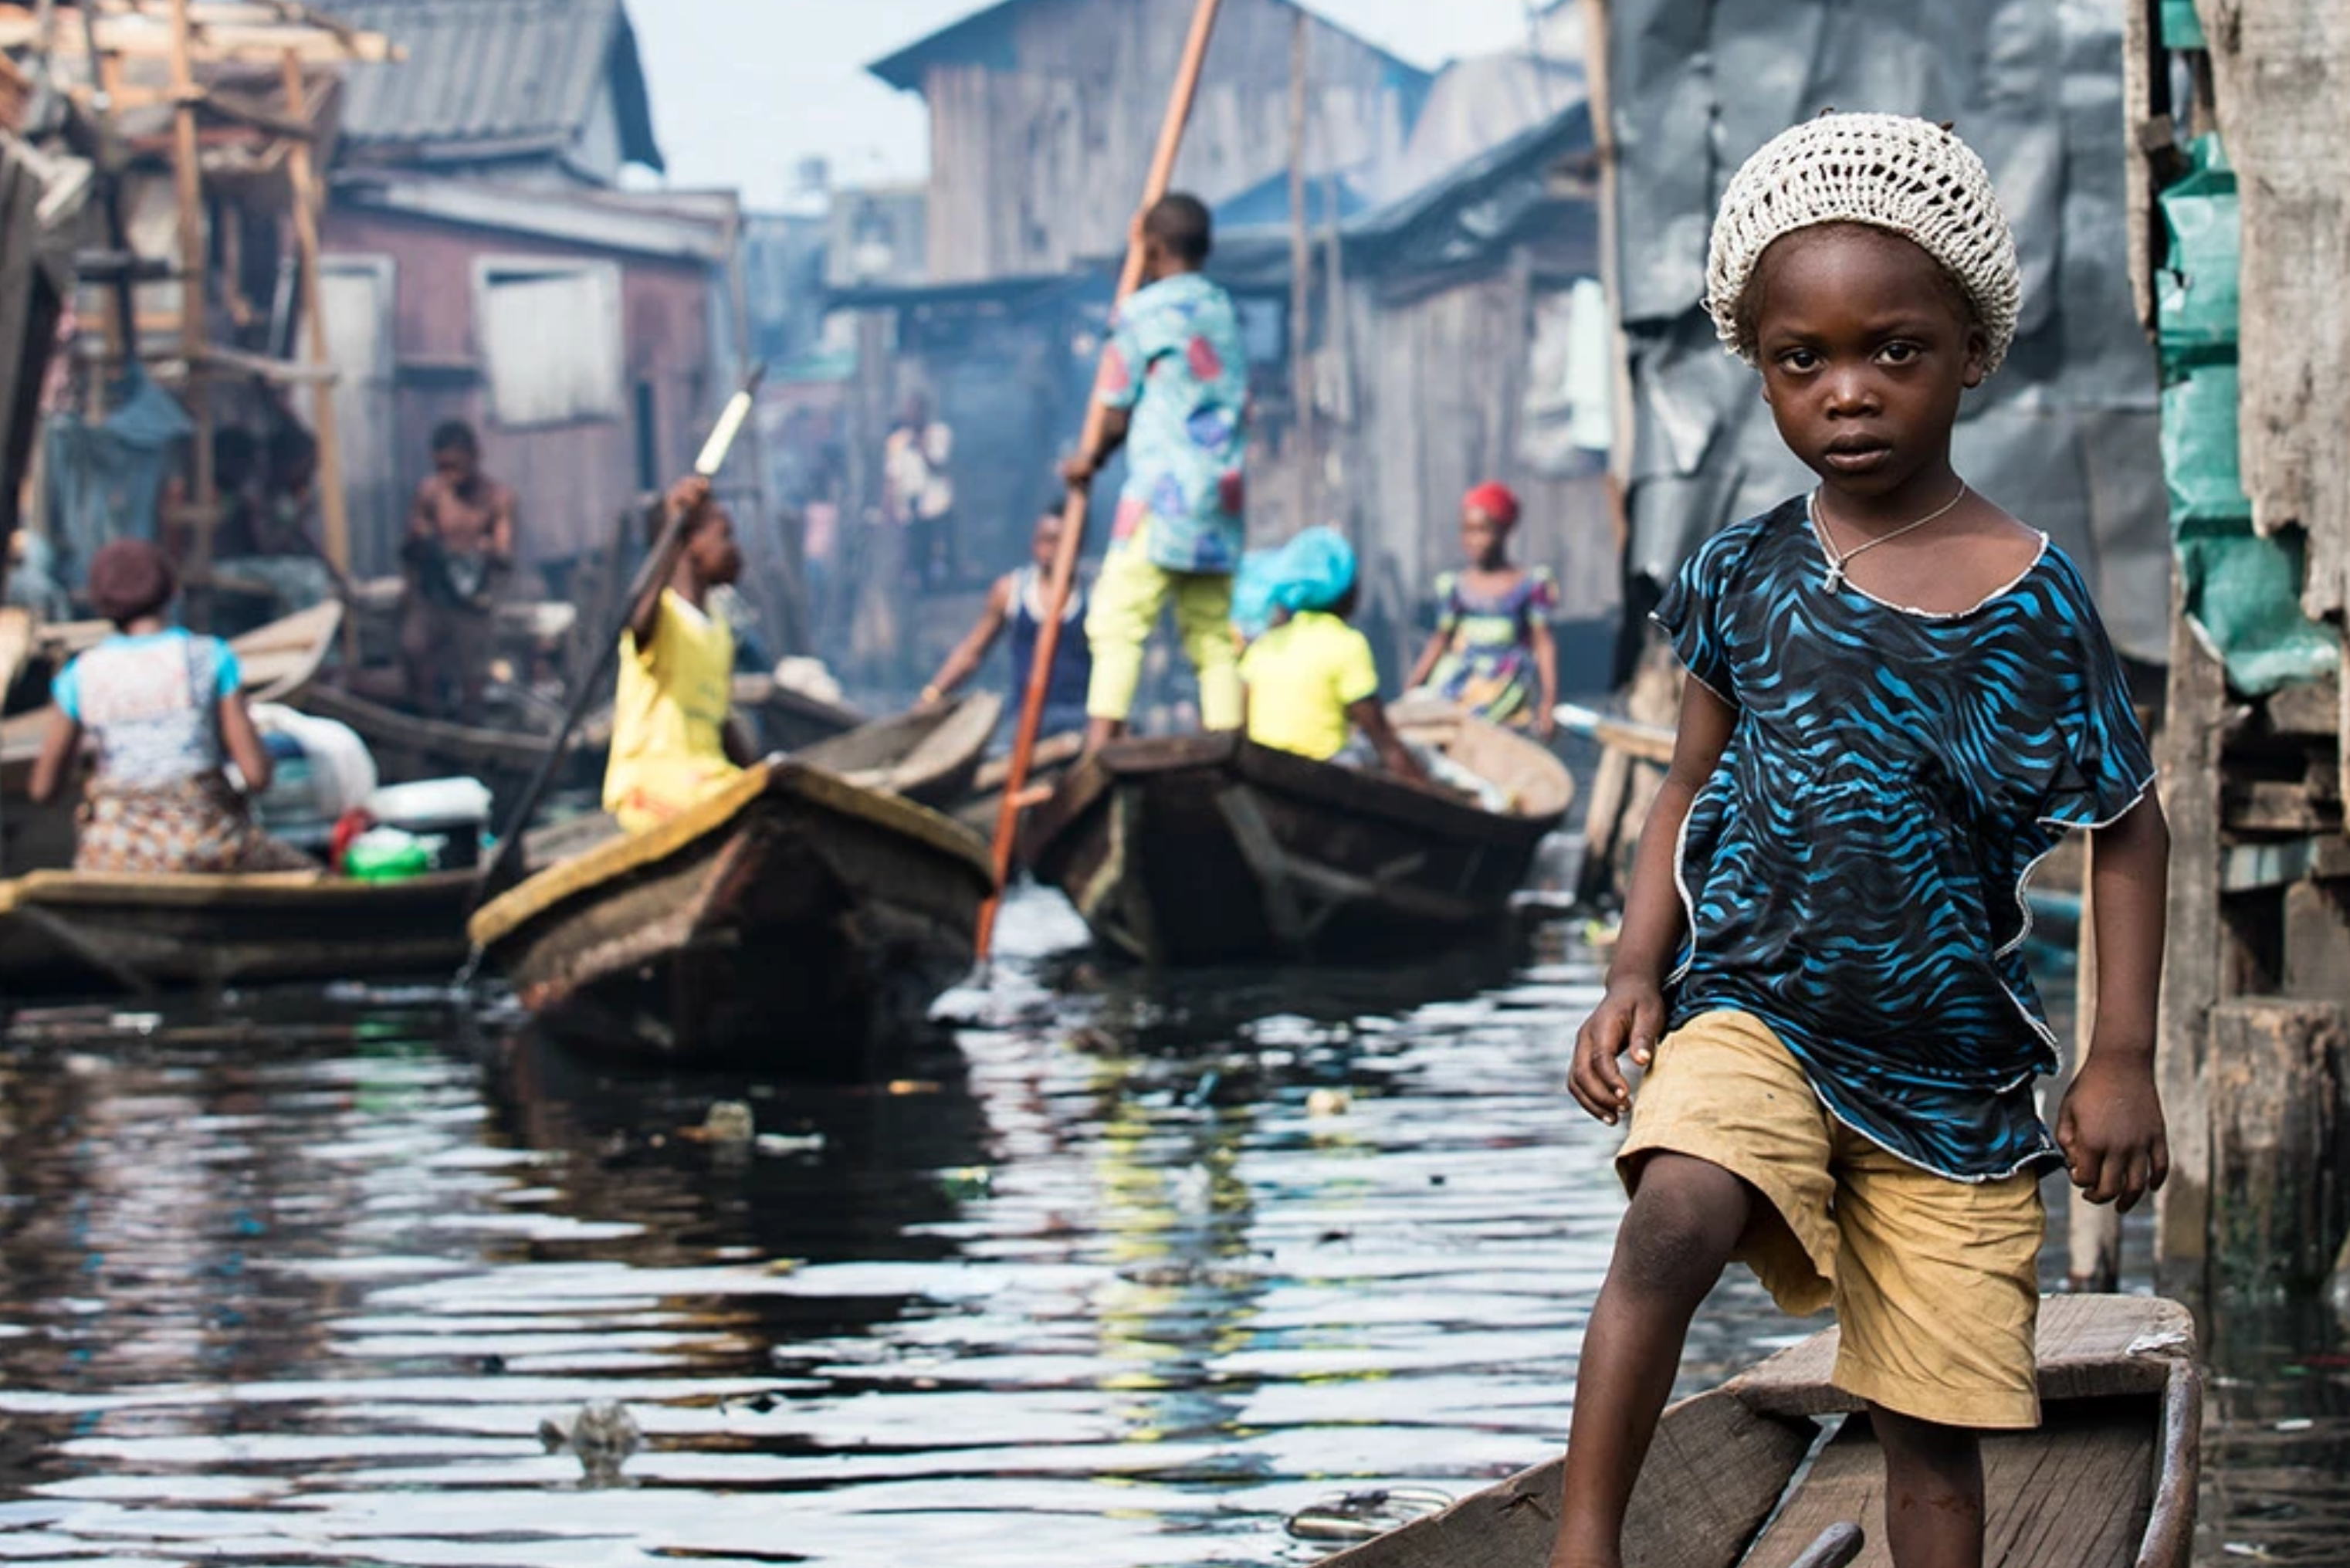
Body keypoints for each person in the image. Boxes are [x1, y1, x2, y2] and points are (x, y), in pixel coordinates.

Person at [1549, 114, 2170, 1568]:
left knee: (1930, 1429)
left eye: (1894, 351)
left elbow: (2127, 827)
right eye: (1800, 360)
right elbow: (1682, 787)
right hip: (1752, 1005)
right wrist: (1634, 969)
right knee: (1673, 1212)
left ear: (1971, 352)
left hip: (1949, 1072)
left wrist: (2121, 1056)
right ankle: (1582, 1547)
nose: (1846, 392)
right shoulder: (1742, 570)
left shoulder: (2033, 600)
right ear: (1759, 367)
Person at [1063, 193, 1248, 753]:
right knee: (1211, 632)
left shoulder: (1141, 313)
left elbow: (1116, 410)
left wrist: (1090, 459)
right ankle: (1226, 749)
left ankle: (1098, 751)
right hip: (1219, 495)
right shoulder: (1222, 308)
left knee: (1117, 620)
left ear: (1154, 249)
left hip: (1163, 494)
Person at [27, 538, 309, 874]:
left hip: (113, 855)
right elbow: (257, 775)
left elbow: (43, 789)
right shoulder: (210, 657)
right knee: (310, 874)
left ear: (101, 604)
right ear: (173, 591)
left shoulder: (80, 674)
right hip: (205, 847)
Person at [603, 476, 757, 835]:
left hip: (709, 776)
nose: (735, 550)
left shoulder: (719, 630)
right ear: (691, 543)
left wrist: (761, 777)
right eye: (725, 536)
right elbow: (637, 626)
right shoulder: (662, 616)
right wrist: (672, 530)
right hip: (651, 784)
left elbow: (719, 719)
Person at [1234, 527, 1428, 787]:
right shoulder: (1347, 644)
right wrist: (1431, 794)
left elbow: (1240, 722)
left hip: (1266, 774)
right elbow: (1383, 741)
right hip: (1321, 779)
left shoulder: (1264, 646)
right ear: (1345, 590)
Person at [918, 506, 1093, 739]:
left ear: (1078, 545)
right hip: (1024, 718)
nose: (1050, 549)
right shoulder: (1010, 591)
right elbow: (973, 652)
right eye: (1044, 540)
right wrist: (931, 696)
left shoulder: (1094, 595)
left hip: (1079, 718)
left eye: (1058, 541)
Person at [1406, 481, 1559, 737]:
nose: (1473, 540)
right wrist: (1411, 688)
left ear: (1505, 530)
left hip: (1501, 691)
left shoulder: (1530, 585)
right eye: (1467, 531)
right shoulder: (1456, 586)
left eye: (1483, 531)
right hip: (1456, 683)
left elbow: (1543, 643)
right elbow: (1441, 640)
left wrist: (1548, 701)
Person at [400, 420, 515, 724]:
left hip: (472, 603)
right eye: (442, 467)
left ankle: (469, 732)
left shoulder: (496, 497)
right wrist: (418, 539)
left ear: (474, 456)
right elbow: (410, 549)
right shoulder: (431, 492)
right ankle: (428, 724)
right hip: (434, 596)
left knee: (473, 677)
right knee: (415, 648)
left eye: (455, 466)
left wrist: (489, 551)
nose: (449, 475)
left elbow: (505, 553)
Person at [882, 392, 955, 590]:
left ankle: (940, 586)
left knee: (938, 550)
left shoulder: (939, 433)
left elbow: (938, 464)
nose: (912, 415)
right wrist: (888, 506)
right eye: (909, 411)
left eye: (916, 410)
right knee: (914, 551)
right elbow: (892, 475)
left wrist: (922, 444)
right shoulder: (897, 441)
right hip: (909, 505)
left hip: (936, 504)